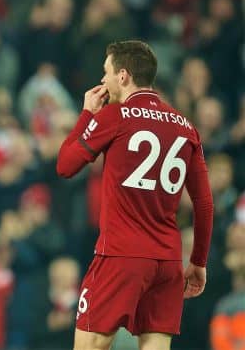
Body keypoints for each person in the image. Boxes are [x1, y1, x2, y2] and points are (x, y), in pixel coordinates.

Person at [56, 40, 214, 350]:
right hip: (168, 261)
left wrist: (87, 114)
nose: (103, 81)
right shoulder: (186, 128)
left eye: (106, 73)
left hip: (120, 255)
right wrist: (197, 261)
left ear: (124, 75)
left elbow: (65, 165)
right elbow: (203, 202)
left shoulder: (115, 117)